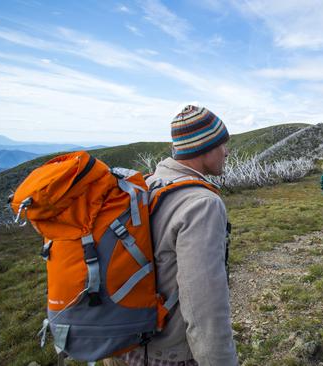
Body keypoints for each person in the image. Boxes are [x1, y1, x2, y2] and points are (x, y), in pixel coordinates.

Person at [106, 105, 237, 366]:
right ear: (204, 148)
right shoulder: (202, 204)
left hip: (127, 345)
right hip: (169, 355)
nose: (227, 152)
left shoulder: (147, 185)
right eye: (222, 144)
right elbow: (204, 306)